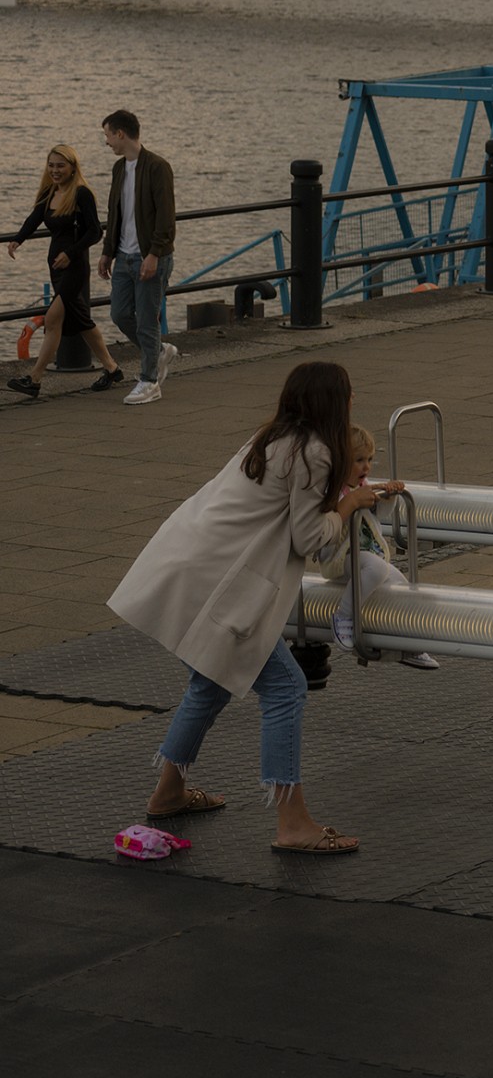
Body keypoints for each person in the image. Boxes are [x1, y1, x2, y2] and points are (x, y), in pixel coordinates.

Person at [109, 360, 397, 854]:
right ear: (335, 402)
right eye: (348, 394)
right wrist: (350, 506)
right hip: (218, 583)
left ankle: (168, 793)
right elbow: (311, 537)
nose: (353, 401)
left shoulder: (270, 438)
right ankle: (293, 823)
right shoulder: (316, 453)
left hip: (185, 564)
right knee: (286, 687)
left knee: (210, 682)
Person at [7, 143, 125, 398]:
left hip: (74, 266)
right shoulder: (49, 192)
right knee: (82, 320)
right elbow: (34, 218)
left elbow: (95, 231)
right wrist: (18, 239)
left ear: (72, 167)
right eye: (51, 165)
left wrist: (70, 254)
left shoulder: (82, 194)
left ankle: (34, 379)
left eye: (61, 165)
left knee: (52, 320)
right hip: (56, 267)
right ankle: (112, 369)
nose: (55, 170)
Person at [320, 424, 438, 669]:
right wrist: (350, 501)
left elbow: (380, 512)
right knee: (376, 568)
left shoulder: (364, 486)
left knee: (400, 585)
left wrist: (390, 495)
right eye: (359, 460)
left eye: (370, 460)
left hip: (366, 556)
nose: (366, 467)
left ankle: (406, 644)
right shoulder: (332, 490)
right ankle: (344, 615)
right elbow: (331, 516)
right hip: (342, 559)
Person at [97, 109, 178, 406]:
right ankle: (157, 352)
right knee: (119, 313)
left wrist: (154, 254)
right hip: (123, 256)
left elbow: (166, 218)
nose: (106, 142)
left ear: (120, 133)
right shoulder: (120, 169)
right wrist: (107, 252)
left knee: (146, 319)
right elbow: (113, 213)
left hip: (149, 257)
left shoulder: (158, 167)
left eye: (107, 135)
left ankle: (149, 381)